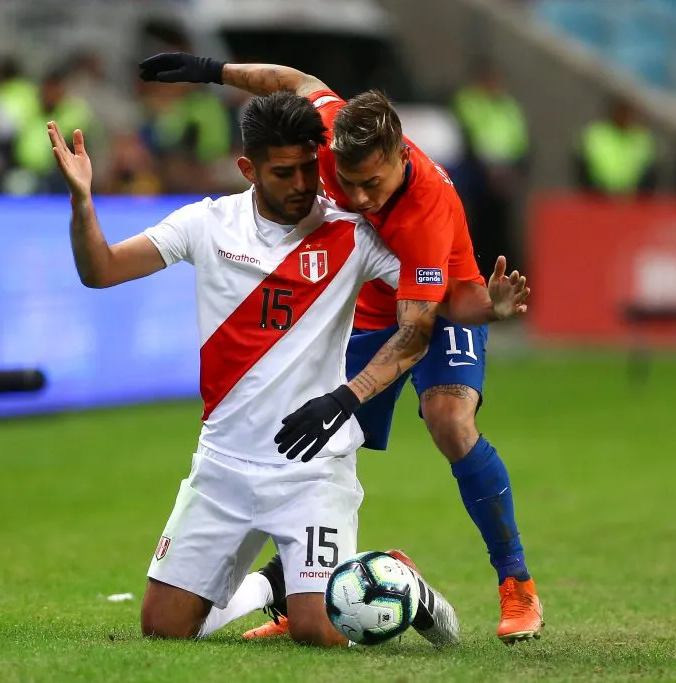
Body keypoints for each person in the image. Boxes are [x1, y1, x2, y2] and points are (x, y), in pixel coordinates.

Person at [47, 91, 482, 648]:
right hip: (222, 466)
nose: (304, 184)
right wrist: (83, 201)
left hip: (311, 472)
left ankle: (400, 583)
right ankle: (275, 584)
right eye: (284, 172)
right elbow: (100, 270)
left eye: (309, 168)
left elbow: (425, 313)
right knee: (164, 629)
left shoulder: (351, 233)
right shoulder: (205, 224)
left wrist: (483, 305)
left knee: (321, 633)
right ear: (248, 169)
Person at [138, 53, 543, 644]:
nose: (357, 198)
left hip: (442, 301)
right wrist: (210, 69)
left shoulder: (425, 213)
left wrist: (352, 393)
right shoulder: (332, 129)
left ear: (403, 158)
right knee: (307, 439)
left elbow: (419, 329)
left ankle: (516, 583)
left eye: (371, 185)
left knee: (448, 420)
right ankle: (298, 588)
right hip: (371, 301)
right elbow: (289, 81)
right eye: (346, 182)